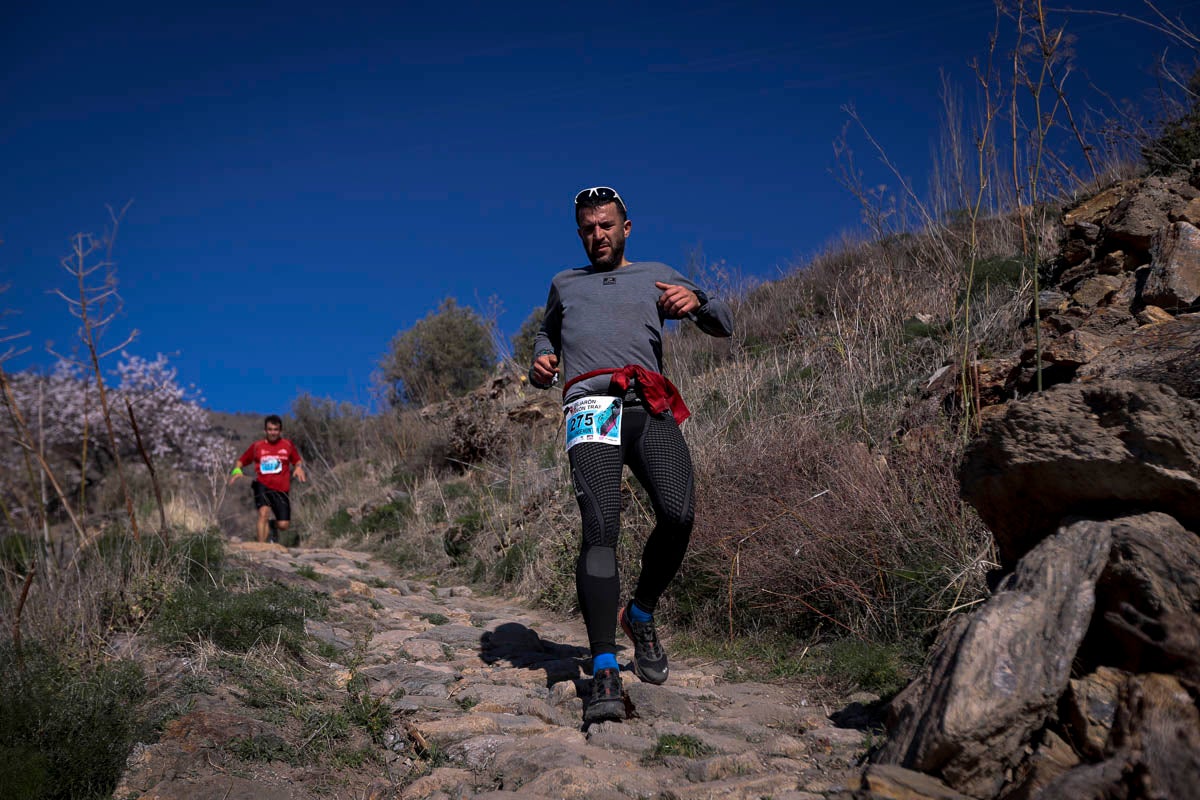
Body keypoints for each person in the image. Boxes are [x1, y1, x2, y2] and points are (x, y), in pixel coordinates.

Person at [529, 186, 734, 723]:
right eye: (588, 228)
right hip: (591, 407)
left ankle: (639, 613)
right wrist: (542, 360)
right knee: (601, 527)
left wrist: (697, 303)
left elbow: (724, 322)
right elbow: (546, 334)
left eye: (606, 225)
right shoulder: (564, 284)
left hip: (648, 402)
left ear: (626, 227)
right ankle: (603, 667)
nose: (597, 235)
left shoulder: (656, 274)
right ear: (580, 233)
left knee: (678, 514)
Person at [229, 414, 307, 544]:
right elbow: (240, 462)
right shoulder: (257, 446)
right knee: (263, 514)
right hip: (262, 485)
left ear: (280, 431)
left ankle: (272, 525)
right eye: (270, 429)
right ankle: (261, 548)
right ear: (265, 430)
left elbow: (297, 460)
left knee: (283, 525)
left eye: (276, 430)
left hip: (281, 489)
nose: (273, 432)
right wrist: (237, 471)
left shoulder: (287, 445)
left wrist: (298, 468)